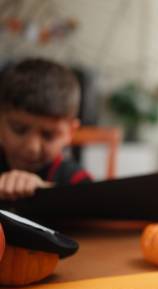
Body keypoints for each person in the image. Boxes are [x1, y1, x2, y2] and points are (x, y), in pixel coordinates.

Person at [0, 58, 92, 200]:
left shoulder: (76, 179)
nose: (32, 147)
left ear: (71, 132)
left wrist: (48, 194)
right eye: (19, 129)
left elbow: (93, 206)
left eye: (48, 135)